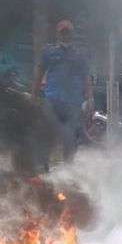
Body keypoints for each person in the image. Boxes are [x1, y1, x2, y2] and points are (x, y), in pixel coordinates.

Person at [33, 19, 91, 165]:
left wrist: (89, 98)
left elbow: (86, 77)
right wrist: (34, 94)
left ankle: (68, 169)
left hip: (73, 102)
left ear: (72, 34)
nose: (65, 35)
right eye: (63, 32)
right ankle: (44, 167)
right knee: (47, 134)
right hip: (52, 100)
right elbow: (39, 72)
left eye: (68, 32)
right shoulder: (49, 52)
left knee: (71, 137)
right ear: (58, 34)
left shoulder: (80, 55)